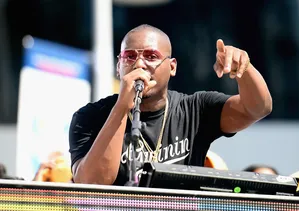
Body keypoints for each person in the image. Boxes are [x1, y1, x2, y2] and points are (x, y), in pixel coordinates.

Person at [69, 24, 272, 185]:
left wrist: (244, 70)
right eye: (130, 56)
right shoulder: (89, 117)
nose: (139, 64)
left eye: (151, 56)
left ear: (172, 66)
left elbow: (256, 108)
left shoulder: (195, 109)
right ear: (118, 66)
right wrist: (122, 106)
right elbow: (93, 182)